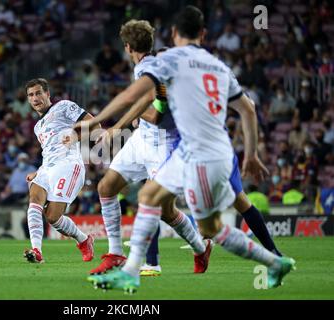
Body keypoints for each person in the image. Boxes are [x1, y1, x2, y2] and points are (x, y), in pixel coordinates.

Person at [78, 6, 295, 293]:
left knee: (209, 228)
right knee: (148, 196)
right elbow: (249, 108)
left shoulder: (169, 60)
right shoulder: (219, 66)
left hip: (197, 151)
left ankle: (273, 261)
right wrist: (252, 154)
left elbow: (136, 97)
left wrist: (102, 122)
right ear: (203, 34)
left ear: (175, 34)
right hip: (206, 148)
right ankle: (130, 270)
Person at [88, 20, 211, 278]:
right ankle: (115, 253)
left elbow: (154, 114)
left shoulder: (150, 70)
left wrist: (122, 124)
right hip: (141, 141)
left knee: (162, 209)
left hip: (164, 145)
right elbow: (145, 105)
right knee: (106, 187)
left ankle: (192, 251)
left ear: (127, 46)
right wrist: (131, 120)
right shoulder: (148, 66)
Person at [22, 78, 97, 263]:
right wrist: (38, 172)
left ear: (48, 94)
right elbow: (49, 153)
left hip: (68, 165)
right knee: (34, 200)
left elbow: (94, 124)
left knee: (53, 217)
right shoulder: (37, 127)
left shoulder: (63, 106)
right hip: (47, 169)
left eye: (38, 93)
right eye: (31, 95)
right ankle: (36, 251)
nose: (35, 98)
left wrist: (76, 137)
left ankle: (83, 240)